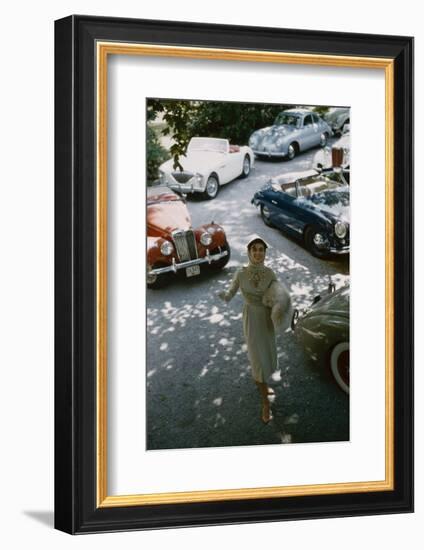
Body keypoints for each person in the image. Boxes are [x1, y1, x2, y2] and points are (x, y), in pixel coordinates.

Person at [218, 236, 279, 424]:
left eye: (261, 249)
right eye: (255, 249)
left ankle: (266, 386)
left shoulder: (270, 274)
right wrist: (221, 295)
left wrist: (278, 307)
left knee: (267, 357)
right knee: (256, 361)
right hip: (251, 320)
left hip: (267, 320)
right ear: (249, 252)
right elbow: (229, 295)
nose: (258, 253)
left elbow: (279, 298)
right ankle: (265, 403)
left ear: (264, 253)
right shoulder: (241, 273)